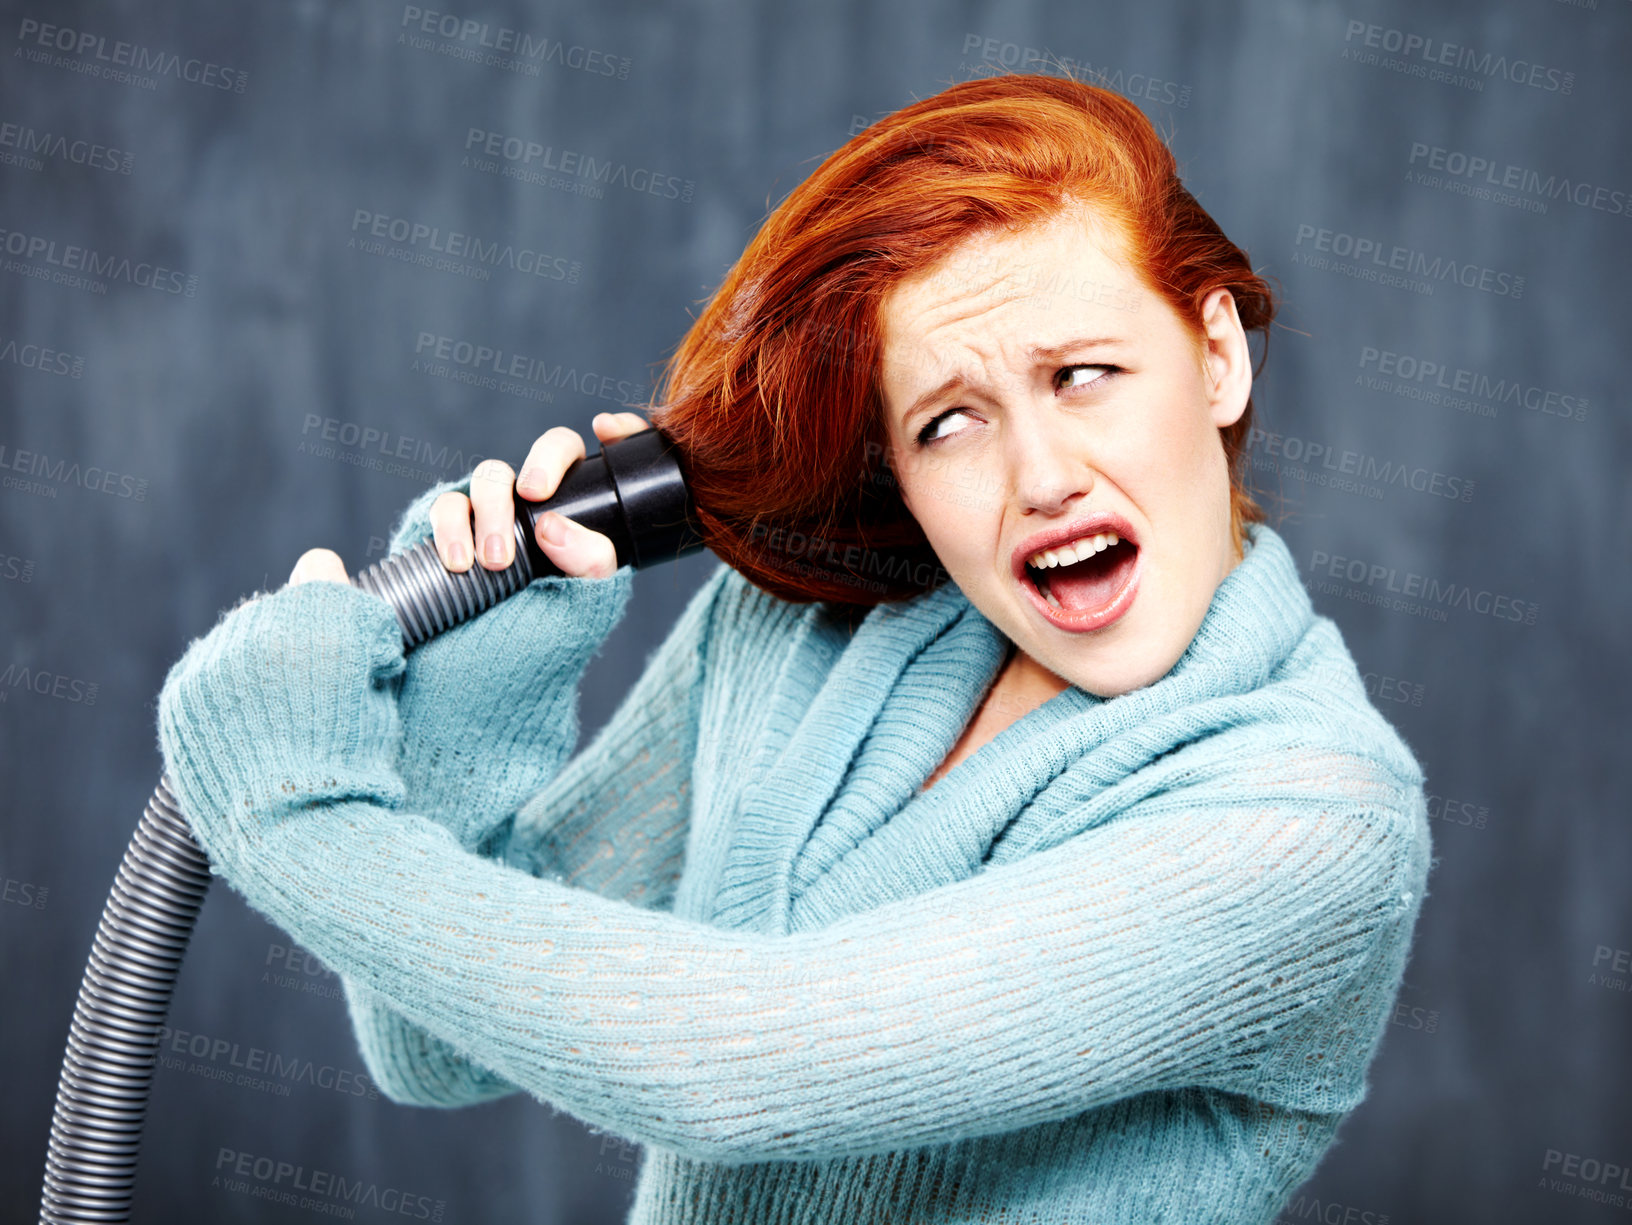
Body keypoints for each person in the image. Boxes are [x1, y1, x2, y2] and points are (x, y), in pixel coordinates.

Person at [157, 73, 1432, 1224]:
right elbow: (432, 1048)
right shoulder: (812, 616)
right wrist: (488, 694)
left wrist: (294, 810)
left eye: (1085, 374)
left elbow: (742, 1067)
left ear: (1214, 358)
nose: (1040, 476)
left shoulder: (1314, 823)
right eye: (950, 422)